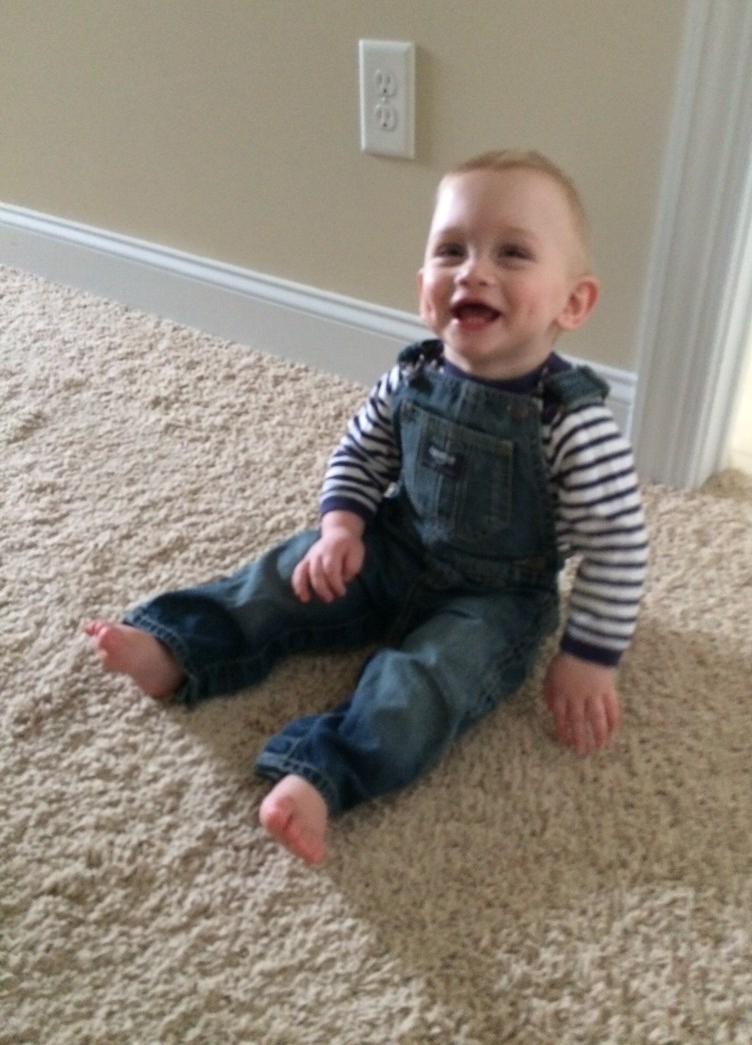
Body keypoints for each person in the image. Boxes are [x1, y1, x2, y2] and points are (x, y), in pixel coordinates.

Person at [85, 149, 648, 867]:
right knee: (284, 574)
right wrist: (342, 527)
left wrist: (589, 657)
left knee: (426, 680)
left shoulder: (573, 422)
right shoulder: (412, 376)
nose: (473, 272)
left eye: (512, 253)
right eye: (451, 250)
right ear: (423, 289)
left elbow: (619, 542)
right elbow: (360, 453)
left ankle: (323, 776)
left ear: (573, 303)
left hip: (495, 599)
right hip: (393, 546)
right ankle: (178, 646)